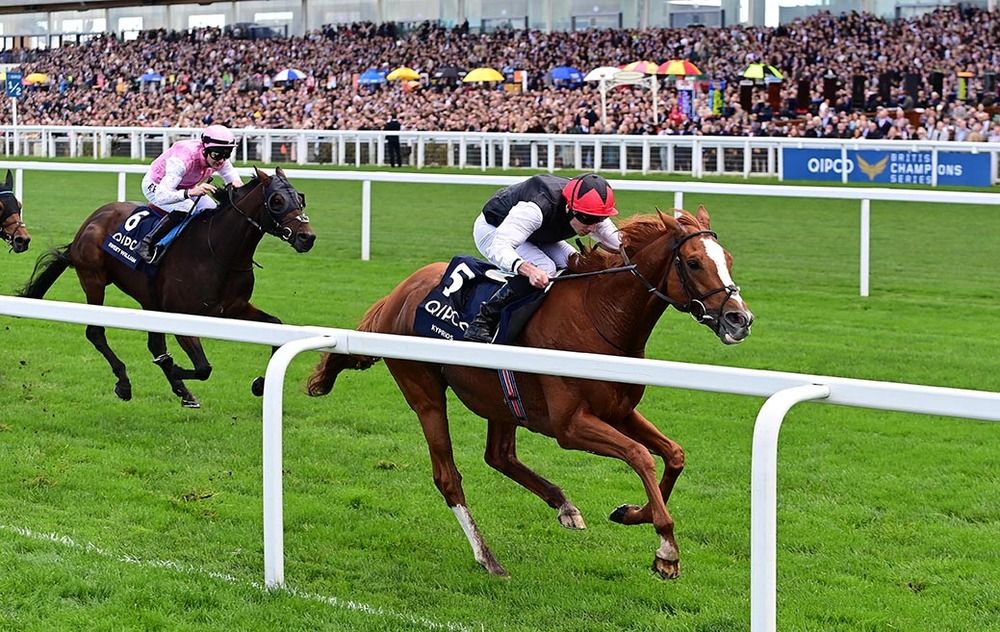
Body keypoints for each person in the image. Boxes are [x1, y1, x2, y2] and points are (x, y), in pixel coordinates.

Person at [463, 173, 621, 343]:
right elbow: (500, 247)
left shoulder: (591, 210)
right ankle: (484, 320)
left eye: (600, 219)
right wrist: (528, 269)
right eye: (587, 219)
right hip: (494, 230)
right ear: (569, 208)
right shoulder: (536, 207)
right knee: (545, 268)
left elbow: (620, 244)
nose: (592, 227)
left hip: (539, 233)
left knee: (578, 263)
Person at [136, 124, 244, 263]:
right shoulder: (183, 159)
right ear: (205, 150)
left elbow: (231, 176)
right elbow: (162, 196)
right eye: (217, 155)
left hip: (186, 187)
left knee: (212, 210)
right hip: (156, 186)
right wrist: (189, 193)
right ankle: (148, 243)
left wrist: (237, 184)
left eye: (226, 155)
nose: (221, 160)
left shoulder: (218, 157)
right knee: (187, 209)